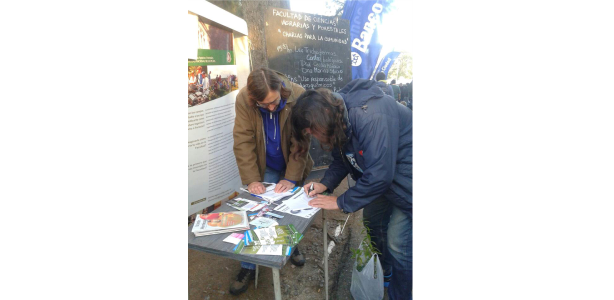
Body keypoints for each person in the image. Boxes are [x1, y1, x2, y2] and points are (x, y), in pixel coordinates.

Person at [291, 79, 412, 300]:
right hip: (385, 180)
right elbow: (342, 159)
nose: (316, 138)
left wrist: (340, 202)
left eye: (313, 131)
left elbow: (380, 175)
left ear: (322, 115)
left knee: (397, 241)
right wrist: (325, 183)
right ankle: (386, 268)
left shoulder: (370, 116)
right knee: (373, 222)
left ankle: (401, 293)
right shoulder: (339, 118)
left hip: (408, 180)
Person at [231, 67, 313, 295]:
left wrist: (291, 177)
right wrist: (251, 180)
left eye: (274, 101)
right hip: (264, 164)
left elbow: (301, 141)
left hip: (291, 162)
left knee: (289, 210)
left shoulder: (297, 95)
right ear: (253, 99)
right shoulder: (244, 99)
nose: (271, 107)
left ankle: (291, 246)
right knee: (258, 213)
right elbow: (243, 140)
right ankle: (248, 265)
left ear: (281, 90)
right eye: (264, 104)